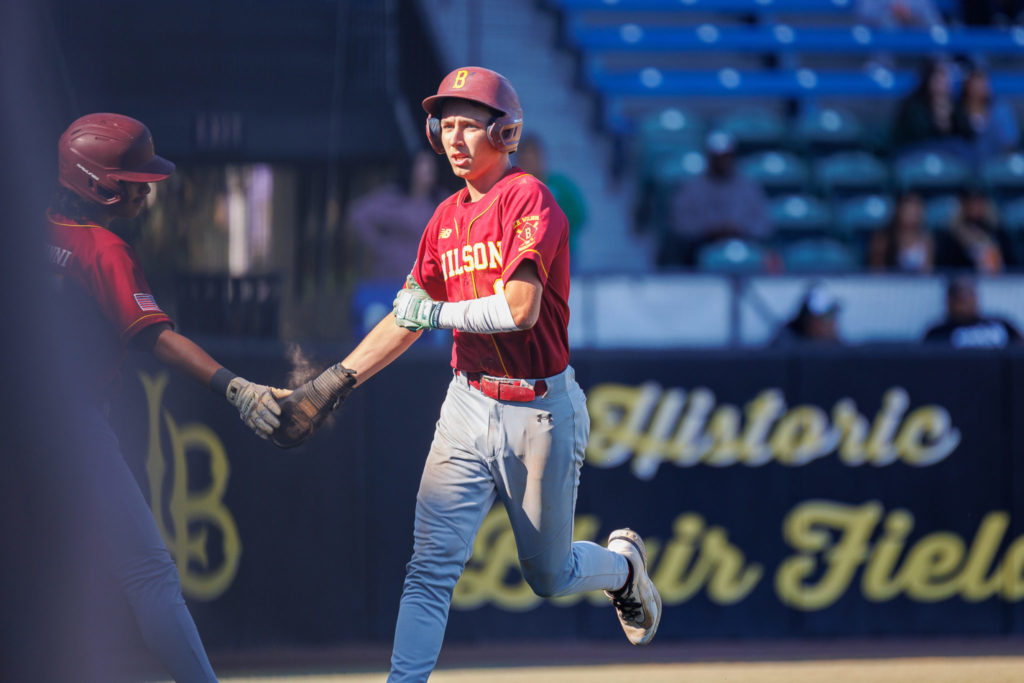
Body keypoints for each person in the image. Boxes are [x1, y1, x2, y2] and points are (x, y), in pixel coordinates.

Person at [300, 67, 661, 681]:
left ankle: (624, 568)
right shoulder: (442, 218)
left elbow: (519, 311)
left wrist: (436, 311)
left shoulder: (529, 198)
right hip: (466, 402)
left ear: (507, 130)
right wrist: (333, 381)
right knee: (429, 567)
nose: (454, 138)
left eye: (471, 125)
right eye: (446, 125)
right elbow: (404, 318)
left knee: (549, 576)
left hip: (539, 407)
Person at [47, 113, 291, 682]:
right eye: (134, 179)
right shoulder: (101, 248)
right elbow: (155, 337)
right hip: (72, 425)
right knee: (149, 573)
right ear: (98, 184)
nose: (146, 189)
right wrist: (237, 386)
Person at [664, 130, 771, 266]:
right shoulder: (690, 187)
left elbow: (764, 224)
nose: (722, 162)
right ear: (709, 157)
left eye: (726, 156)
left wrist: (738, 230)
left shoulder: (749, 187)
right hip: (701, 248)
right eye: (717, 157)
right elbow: (679, 223)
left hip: (744, 247)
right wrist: (709, 231)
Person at [346, 148, 447, 281]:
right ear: (411, 168)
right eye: (423, 164)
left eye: (431, 165)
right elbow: (358, 215)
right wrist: (380, 245)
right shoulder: (392, 198)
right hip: (393, 275)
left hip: (428, 278)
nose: (429, 169)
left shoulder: (440, 200)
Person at [514, 133, 588, 257]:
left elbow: (579, 215)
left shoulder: (560, 186)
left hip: (560, 256)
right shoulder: (512, 189)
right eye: (525, 159)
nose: (530, 164)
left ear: (541, 157)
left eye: (533, 158)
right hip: (524, 257)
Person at [923, 275, 1022, 347]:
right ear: (949, 301)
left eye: (969, 294)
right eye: (960, 296)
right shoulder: (938, 333)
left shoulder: (1000, 324)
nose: (966, 301)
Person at [935, 186, 1016, 273]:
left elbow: (1012, 266)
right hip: (964, 283)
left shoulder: (999, 233)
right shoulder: (949, 236)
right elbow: (944, 268)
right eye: (969, 202)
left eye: (978, 201)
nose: (974, 206)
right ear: (962, 205)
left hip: (996, 284)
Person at [890, 60, 962, 157]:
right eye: (938, 80)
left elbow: (963, 133)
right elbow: (916, 134)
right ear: (928, 81)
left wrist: (946, 120)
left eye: (945, 80)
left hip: (945, 153)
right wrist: (936, 120)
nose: (942, 85)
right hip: (913, 152)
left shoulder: (954, 104)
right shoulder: (913, 104)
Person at [952, 65, 1021, 164]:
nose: (978, 87)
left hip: (996, 164)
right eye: (974, 83)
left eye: (982, 82)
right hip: (964, 165)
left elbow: (1010, 142)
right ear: (967, 86)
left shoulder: (1000, 110)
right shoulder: (957, 111)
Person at [866, 192, 934, 273]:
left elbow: (928, 274)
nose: (913, 214)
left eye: (916, 210)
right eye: (909, 210)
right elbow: (876, 272)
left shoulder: (926, 241)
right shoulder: (882, 239)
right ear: (899, 211)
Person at [771, 283, 845, 346]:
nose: (832, 323)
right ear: (808, 321)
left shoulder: (840, 349)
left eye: (833, 314)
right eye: (827, 316)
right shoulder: (787, 348)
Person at [855, 0, 944, 28]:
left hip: (914, 22)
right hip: (884, 22)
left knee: (931, 19)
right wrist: (890, 9)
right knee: (888, 22)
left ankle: (940, 65)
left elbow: (927, 7)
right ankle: (884, 66)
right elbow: (865, 11)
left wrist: (910, 11)